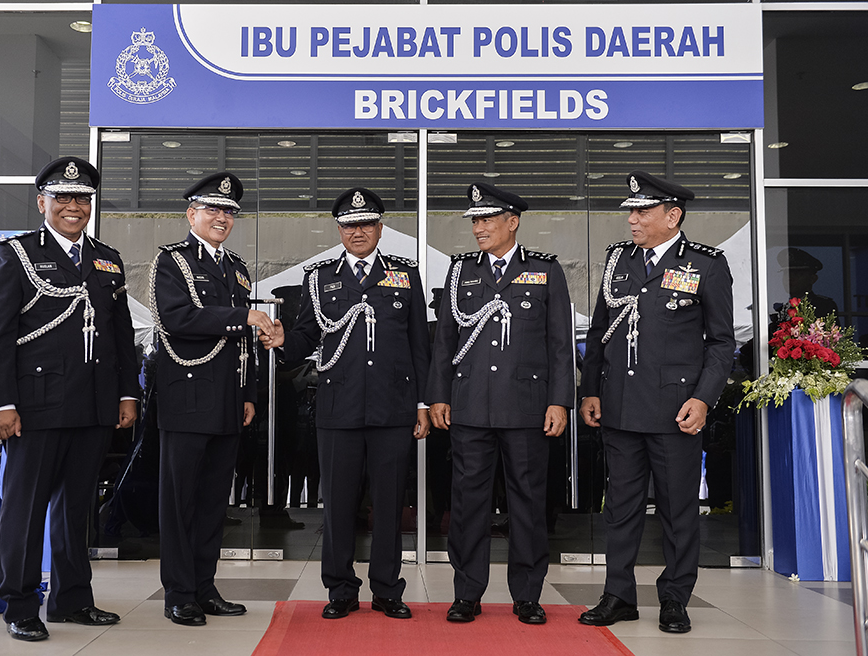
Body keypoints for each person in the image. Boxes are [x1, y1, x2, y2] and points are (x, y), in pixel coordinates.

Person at [0, 157, 139, 641]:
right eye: (63, 198)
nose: (74, 206)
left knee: (76, 508)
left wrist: (127, 393)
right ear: (42, 202)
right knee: (24, 508)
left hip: (93, 405)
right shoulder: (17, 254)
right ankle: (21, 605)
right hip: (36, 406)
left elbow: (120, 335)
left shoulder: (107, 258)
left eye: (83, 198)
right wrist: (1, 402)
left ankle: (71, 599)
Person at [261, 187, 430, 620]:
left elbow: (418, 345)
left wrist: (423, 403)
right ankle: (340, 589)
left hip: (393, 408)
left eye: (367, 223)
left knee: (390, 503)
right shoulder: (319, 278)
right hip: (339, 408)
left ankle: (388, 589)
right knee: (337, 503)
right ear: (339, 229)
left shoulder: (404, 274)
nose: (359, 231)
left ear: (380, 228)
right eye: (350, 224)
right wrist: (284, 342)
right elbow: (305, 338)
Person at [578, 171, 735, 634]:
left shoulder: (705, 264)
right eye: (631, 210)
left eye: (643, 210)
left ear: (673, 216)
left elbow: (721, 343)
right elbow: (599, 332)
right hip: (621, 405)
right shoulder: (617, 261)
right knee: (620, 508)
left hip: (675, 410)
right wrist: (590, 389)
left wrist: (704, 399)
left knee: (677, 509)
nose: (632, 218)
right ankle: (618, 595)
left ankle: (674, 598)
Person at [426, 182, 573, 625]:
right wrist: (438, 394)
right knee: (468, 504)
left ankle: (527, 594)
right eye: (474, 220)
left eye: (487, 219)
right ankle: (467, 592)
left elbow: (559, 345)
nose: (479, 227)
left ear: (513, 222)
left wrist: (560, 401)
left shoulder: (545, 270)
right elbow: (445, 342)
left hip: (527, 407)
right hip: (470, 406)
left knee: (527, 503)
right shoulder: (460, 271)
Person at [151, 171, 274, 627]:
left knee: (211, 503)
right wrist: (244, 314)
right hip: (187, 397)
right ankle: (178, 592)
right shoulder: (173, 261)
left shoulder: (236, 267)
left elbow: (240, 344)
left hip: (226, 400)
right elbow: (179, 318)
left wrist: (247, 393)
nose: (222, 217)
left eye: (229, 212)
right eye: (213, 209)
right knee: (180, 500)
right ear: (192, 214)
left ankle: (204, 586)